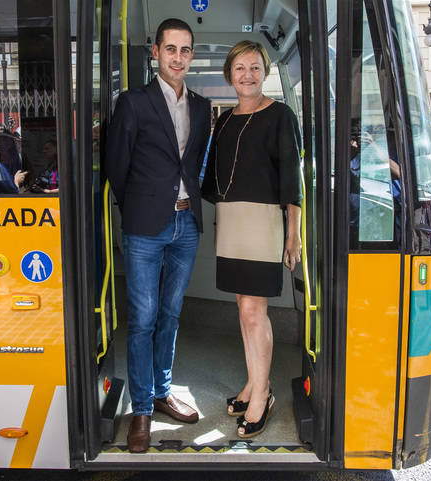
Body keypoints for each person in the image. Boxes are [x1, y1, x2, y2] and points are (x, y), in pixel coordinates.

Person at [103, 18, 212, 453]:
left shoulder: (203, 106)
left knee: (170, 315)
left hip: (187, 225)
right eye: (171, 49)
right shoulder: (132, 103)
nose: (179, 57)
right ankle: (142, 409)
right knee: (143, 319)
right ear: (155, 52)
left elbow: (196, 164)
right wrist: (140, 211)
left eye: (186, 50)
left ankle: (163, 391)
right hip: (146, 227)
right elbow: (117, 166)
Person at [201, 40, 302, 439]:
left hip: (264, 221)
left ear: (266, 72)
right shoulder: (224, 120)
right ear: (230, 74)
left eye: (256, 67)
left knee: (253, 312)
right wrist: (217, 226)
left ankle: (262, 394)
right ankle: (252, 383)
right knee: (243, 307)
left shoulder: (280, 115)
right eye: (240, 68)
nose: (248, 75)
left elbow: (292, 180)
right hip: (231, 221)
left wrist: (292, 233)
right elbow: (217, 178)